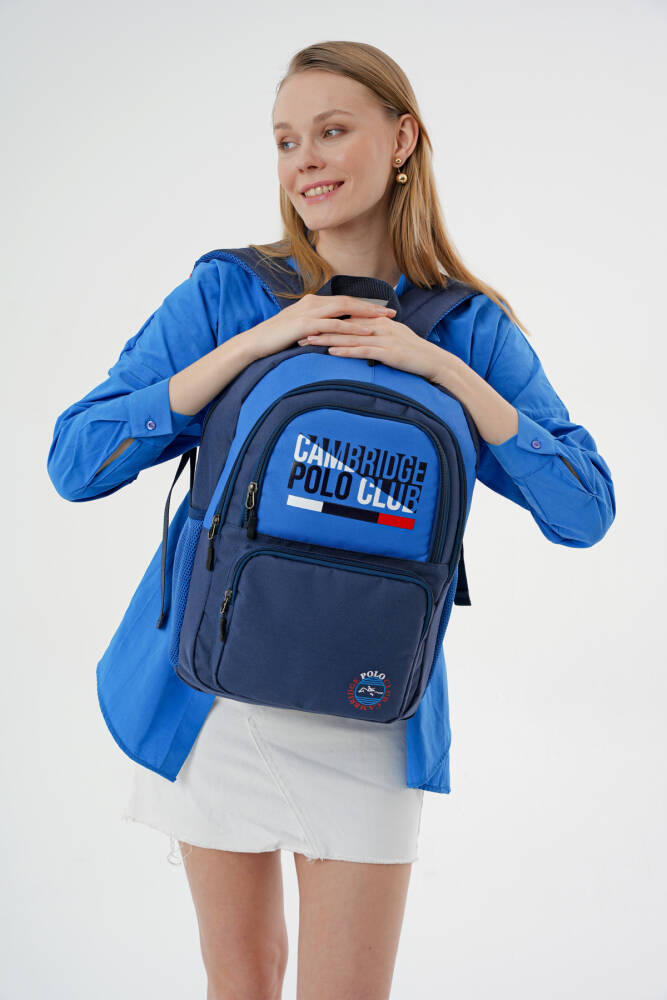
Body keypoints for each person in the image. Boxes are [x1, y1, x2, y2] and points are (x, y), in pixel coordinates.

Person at [47, 40, 616, 1000]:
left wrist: (442, 370)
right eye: (285, 141)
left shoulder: (467, 327)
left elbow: (584, 511)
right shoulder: (229, 293)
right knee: (243, 982)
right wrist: (256, 345)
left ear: (402, 140)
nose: (303, 160)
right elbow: (75, 462)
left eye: (331, 131)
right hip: (212, 702)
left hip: (371, 715)